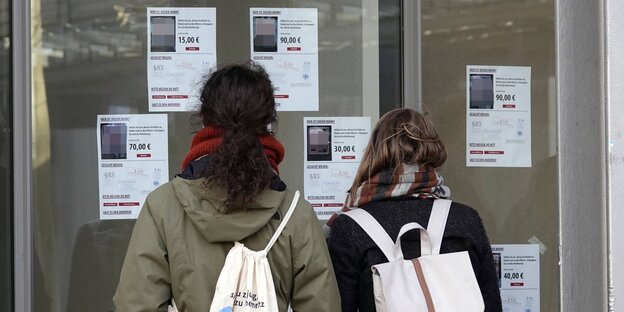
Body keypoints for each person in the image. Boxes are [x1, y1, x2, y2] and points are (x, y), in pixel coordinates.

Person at [114, 62, 340, 311]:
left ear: (204, 121)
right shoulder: (295, 214)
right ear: (268, 124)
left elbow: (136, 304)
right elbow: (322, 305)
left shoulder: (163, 207)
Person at [326, 108, 502, 311]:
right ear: (433, 150)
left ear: (373, 153)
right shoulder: (465, 219)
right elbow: (492, 305)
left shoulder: (349, 227)